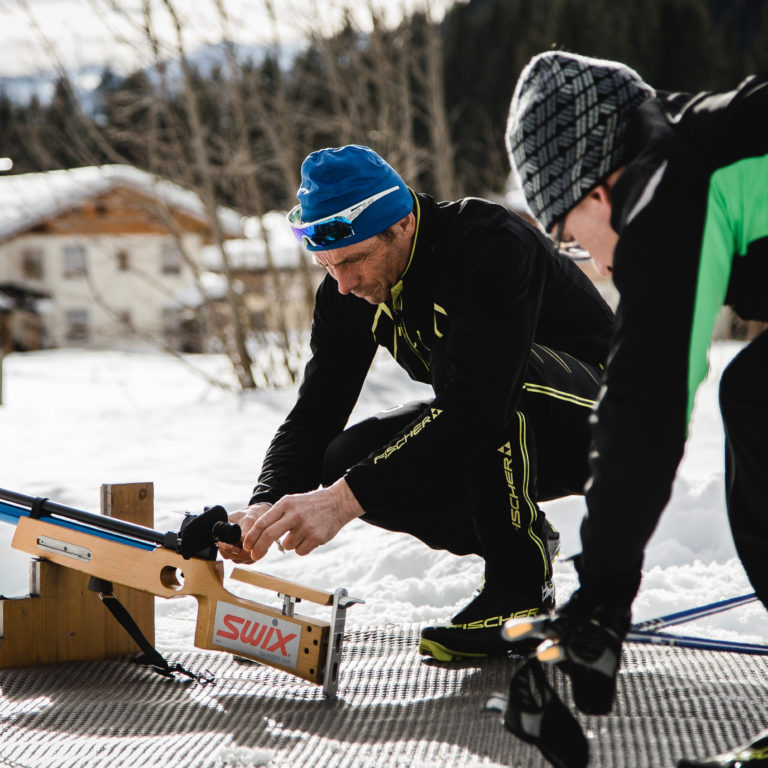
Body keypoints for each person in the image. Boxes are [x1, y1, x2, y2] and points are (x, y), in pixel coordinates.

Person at [219, 144, 615, 662]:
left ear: (402, 224)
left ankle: (517, 589)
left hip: (613, 421)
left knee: (487, 384)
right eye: (326, 264)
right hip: (501, 425)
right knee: (345, 458)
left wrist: (343, 501)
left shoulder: (489, 243)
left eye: (355, 260)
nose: (344, 284)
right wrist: (266, 501)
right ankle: (525, 543)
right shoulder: (345, 292)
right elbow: (316, 411)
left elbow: (478, 404)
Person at [505, 50, 768, 765]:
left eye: (567, 234)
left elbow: (646, 405)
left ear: (593, 191)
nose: (588, 258)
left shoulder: (671, 188)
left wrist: (600, 601)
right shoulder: (696, 146)